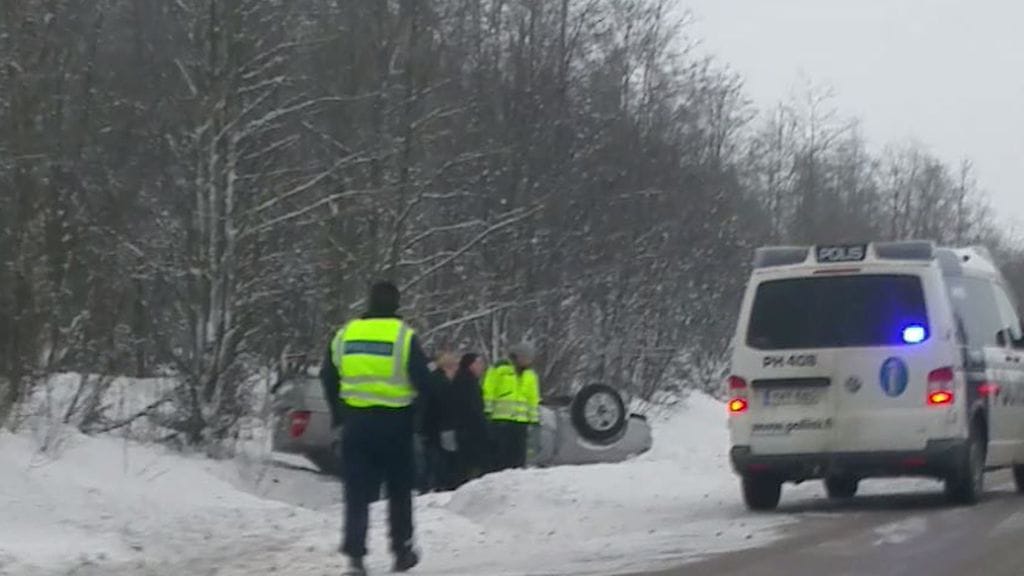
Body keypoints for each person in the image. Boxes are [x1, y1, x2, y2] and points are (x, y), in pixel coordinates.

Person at [320, 281, 432, 576]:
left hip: (356, 423)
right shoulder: (404, 337)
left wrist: (338, 414)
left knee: (356, 492)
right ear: (397, 305)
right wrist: (418, 417)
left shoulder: (346, 334)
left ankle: (355, 558)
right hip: (396, 425)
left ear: (367, 302)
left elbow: (328, 377)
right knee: (399, 490)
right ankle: (401, 550)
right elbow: (425, 383)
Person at [482, 342, 541, 471]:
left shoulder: (530, 375)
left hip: (521, 422)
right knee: (501, 457)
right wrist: (488, 412)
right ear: (518, 356)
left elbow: (533, 399)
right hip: (501, 420)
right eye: (526, 358)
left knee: (518, 457)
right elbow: (489, 391)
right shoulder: (500, 369)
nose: (528, 361)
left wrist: (534, 420)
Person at [419, 352, 459, 492]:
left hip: (427, 426)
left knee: (429, 457)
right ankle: (437, 485)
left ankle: (427, 485)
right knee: (439, 458)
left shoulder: (431, 379)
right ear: (449, 367)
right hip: (440, 427)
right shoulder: (443, 383)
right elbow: (445, 407)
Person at [451, 353, 489, 486]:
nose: (481, 367)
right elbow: (473, 408)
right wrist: (484, 427)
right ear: (471, 365)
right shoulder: (467, 382)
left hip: (465, 429)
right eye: (478, 363)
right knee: (467, 465)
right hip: (468, 431)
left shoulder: (465, 379)